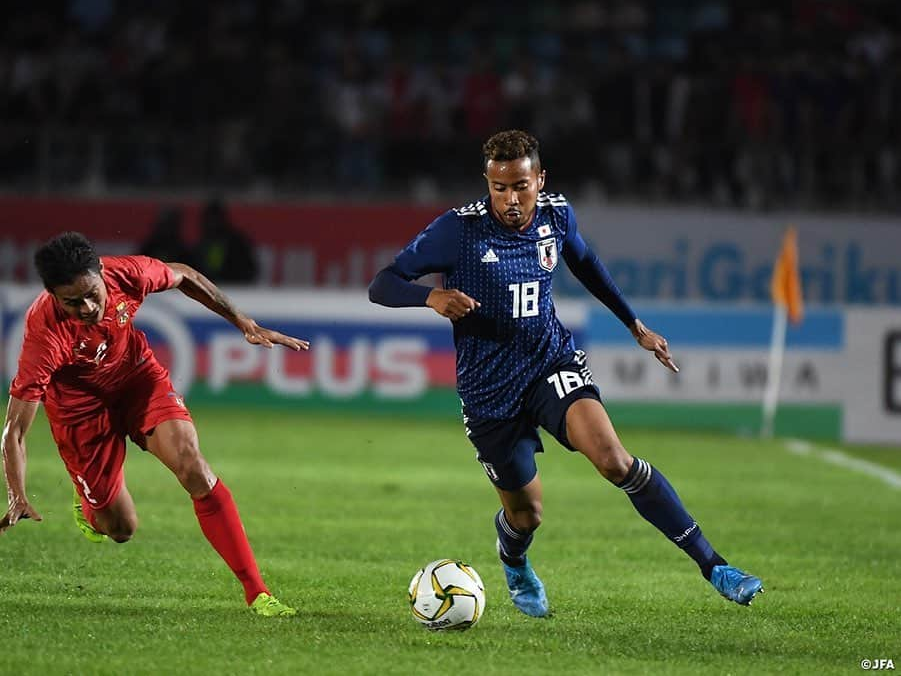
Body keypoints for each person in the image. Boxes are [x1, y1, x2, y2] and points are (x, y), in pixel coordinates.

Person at [368, 130, 763, 617]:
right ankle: (513, 560)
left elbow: (589, 264)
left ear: (540, 179)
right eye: (498, 187)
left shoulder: (557, 214)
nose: (510, 199)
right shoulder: (458, 230)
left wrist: (635, 325)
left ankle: (715, 566)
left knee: (614, 460)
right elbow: (382, 283)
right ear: (486, 182)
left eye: (520, 185)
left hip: (549, 361)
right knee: (526, 514)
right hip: (489, 389)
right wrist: (430, 296)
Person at [1, 232, 308, 617]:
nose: (88, 307)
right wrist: (17, 493)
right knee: (121, 529)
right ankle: (91, 508)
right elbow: (15, 430)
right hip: (80, 412)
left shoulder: (126, 273)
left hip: (137, 380)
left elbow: (184, 275)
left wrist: (242, 321)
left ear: (101, 273)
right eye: (72, 302)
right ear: (52, 296)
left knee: (192, 465)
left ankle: (257, 592)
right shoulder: (43, 335)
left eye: (92, 293)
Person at [192, 198, 259, 284]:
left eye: (215, 219)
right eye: (209, 220)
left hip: (233, 289)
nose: (212, 224)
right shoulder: (201, 244)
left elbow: (249, 271)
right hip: (206, 289)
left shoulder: (237, 243)